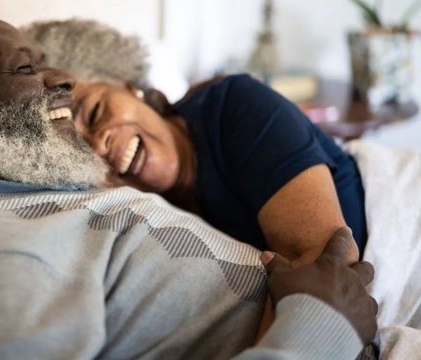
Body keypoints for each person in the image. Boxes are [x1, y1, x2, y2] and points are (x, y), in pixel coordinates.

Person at [0, 4, 377, 359]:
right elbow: (331, 289)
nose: (63, 78)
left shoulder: (48, 198)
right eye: (25, 68)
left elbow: (327, 257)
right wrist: (317, 332)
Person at [23, 20, 368, 269]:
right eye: (79, 153)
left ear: (128, 86)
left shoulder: (235, 105)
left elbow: (329, 268)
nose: (98, 145)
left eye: (96, 110)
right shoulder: (132, 220)